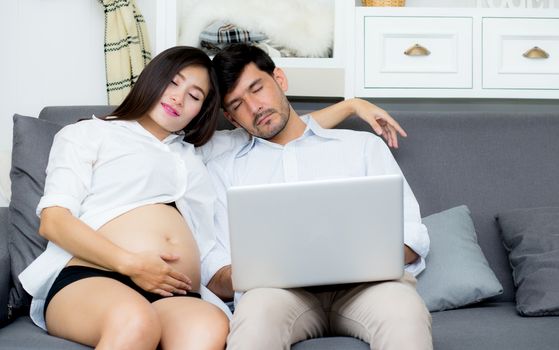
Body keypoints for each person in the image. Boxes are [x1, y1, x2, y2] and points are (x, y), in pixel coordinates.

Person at [18, 45, 406, 349]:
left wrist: (353, 105)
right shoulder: (90, 133)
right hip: (96, 275)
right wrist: (132, 263)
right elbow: (54, 220)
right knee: (134, 322)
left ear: (203, 112)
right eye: (173, 82)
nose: (178, 98)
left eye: (195, 95)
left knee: (210, 329)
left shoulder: (199, 151)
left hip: (174, 289)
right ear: (152, 79)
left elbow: (278, 124)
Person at [205, 43, 432, 350]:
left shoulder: (362, 147)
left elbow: (412, 236)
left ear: (280, 80)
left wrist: (355, 256)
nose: (254, 107)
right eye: (237, 105)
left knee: (405, 312)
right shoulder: (224, 170)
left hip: (367, 289)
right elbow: (216, 272)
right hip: (276, 295)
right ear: (231, 119)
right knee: (254, 322)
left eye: (257, 89)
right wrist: (267, 266)